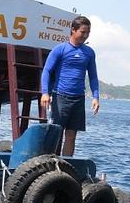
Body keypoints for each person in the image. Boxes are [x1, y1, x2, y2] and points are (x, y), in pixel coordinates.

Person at [40, 16, 100, 157]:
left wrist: (96, 97)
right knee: (56, 132)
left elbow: (93, 76)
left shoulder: (89, 52)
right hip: (61, 96)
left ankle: (66, 162)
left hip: (78, 98)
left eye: (88, 33)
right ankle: (50, 162)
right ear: (73, 30)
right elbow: (47, 71)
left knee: (71, 134)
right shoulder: (60, 49)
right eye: (83, 32)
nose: (85, 36)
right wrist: (45, 93)